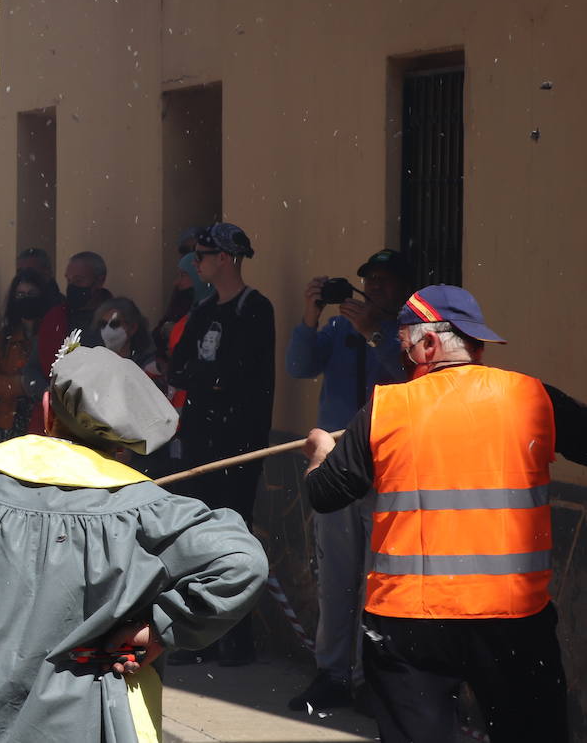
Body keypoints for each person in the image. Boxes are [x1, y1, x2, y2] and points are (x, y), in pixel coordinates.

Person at [0, 343, 268, 742]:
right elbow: (241, 562)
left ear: (46, 408)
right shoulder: (150, 514)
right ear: (132, 439)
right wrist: (160, 628)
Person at [304, 285, 587, 743]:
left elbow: (326, 493)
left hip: (410, 627)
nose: (401, 354)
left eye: (403, 343)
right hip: (511, 621)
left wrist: (320, 452)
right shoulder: (534, 398)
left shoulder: (387, 408)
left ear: (429, 344)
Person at [283, 249, 412, 711]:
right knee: (337, 578)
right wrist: (310, 316)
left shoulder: (409, 332)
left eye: (384, 280)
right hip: (338, 464)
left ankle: (371, 678)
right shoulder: (339, 327)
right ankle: (333, 673)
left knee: (379, 581)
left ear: (402, 288)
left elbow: (410, 376)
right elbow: (299, 367)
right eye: (368, 280)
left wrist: (375, 333)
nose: (374, 287)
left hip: (387, 468)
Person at [166, 222, 274, 666]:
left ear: (225, 258)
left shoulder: (254, 308)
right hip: (200, 439)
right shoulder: (204, 308)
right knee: (197, 534)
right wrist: (209, 380)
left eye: (204, 254)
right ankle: (199, 635)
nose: (197, 262)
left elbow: (241, 375)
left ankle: (236, 637)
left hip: (239, 441)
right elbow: (178, 368)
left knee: (234, 534)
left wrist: (208, 379)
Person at [0, 270, 49, 441]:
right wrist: (20, 384)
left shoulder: (50, 332)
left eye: (31, 294)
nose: (25, 298)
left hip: (42, 418)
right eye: (20, 294)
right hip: (8, 419)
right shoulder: (5, 335)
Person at [36, 251, 112, 373]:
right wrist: (44, 389)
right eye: (69, 280)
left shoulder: (116, 321)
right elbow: (33, 367)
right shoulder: (55, 317)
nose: (71, 286)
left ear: (99, 281)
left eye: (78, 281)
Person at [91, 297, 153, 369]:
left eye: (115, 324)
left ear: (133, 327)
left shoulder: (147, 365)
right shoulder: (95, 362)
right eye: (103, 324)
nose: (107, 330)